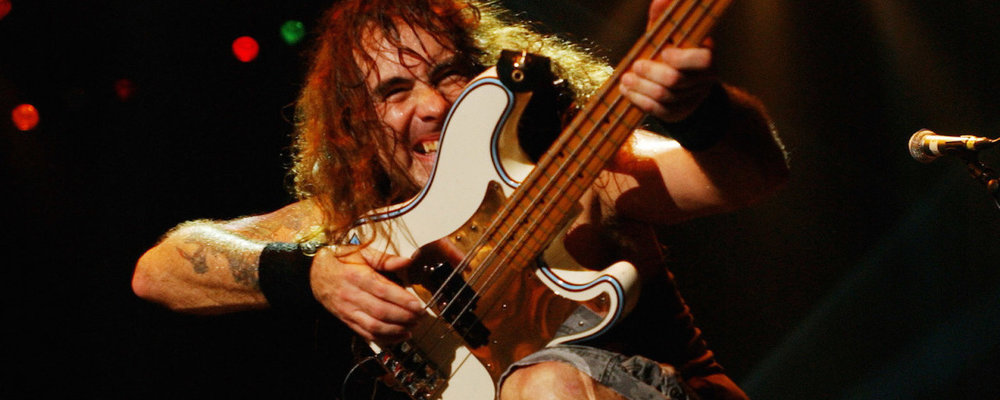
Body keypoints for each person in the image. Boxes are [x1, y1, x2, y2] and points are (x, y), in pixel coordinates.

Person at [132, 0, 788, 399]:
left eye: (449, 76)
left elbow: (753, 174)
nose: (432, 106)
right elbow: (162, 268)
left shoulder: (570, 168)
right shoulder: (358, 224)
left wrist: (699, 111)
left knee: (542, 385)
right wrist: (312, 274)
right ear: (355, 126)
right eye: (395, 91)